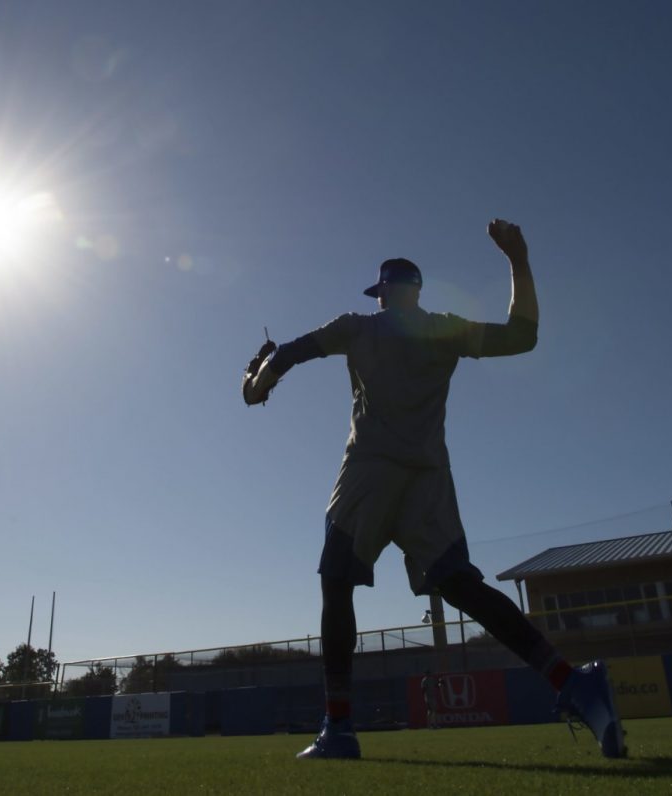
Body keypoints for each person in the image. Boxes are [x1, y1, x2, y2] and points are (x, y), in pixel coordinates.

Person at [241, 219, 625, 760]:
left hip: (370, 473)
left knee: (335, 583)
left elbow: (287, 356)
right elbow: (524, 335)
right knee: (464, 588)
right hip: (428, 480)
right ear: (416, 293)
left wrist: (255, 384)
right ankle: (573, 683)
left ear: (383, 294)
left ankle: (339, 728)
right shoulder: (442, 329)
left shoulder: (358, 326)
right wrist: (517, 259)